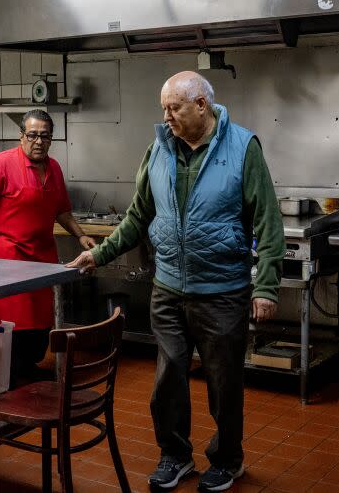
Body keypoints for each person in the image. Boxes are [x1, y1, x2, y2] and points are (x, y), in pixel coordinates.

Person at [67, 72, 284, 492]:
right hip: (167, 289)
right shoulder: (159, 150)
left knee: (223, 383)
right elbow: (137, 216)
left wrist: (267, 286)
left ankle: (227, 459)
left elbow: (268, 222)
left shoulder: (242, 148)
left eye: (174, 108)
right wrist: (99, 253)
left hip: (222, 291)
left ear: (201, 104)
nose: (166, 117)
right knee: (167, 381)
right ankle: (175, 455)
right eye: (163, 108)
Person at [0, 109, 96, 387]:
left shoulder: (54, 168)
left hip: (42, 258)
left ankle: (27, 369)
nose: (38, 141)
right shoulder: (2, 164)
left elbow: (62, 211)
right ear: (21, 136)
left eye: (44, 136)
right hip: (6, 259)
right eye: (32, 135)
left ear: (51, 139)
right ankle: (9, 377)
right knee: (12, 322)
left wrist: (81, 236)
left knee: (41, 321)